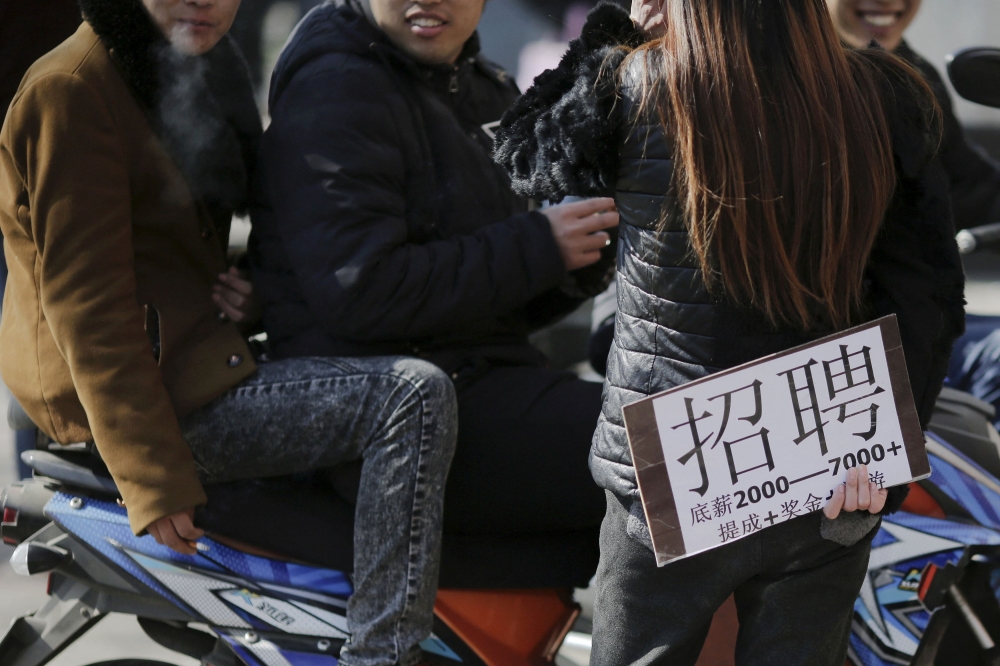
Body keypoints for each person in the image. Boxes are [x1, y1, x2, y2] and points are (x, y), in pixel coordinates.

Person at [495, 1, 965, 664]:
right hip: (829, 462)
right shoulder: (883, 94)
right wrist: (882, 455)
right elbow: (928, 297)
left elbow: (525, 153)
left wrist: (618, 28)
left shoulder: (631, 84)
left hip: (672, 466)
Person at [0, 0, 457, 664]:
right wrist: (152, 478)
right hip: (144, 403)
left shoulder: (202, 61)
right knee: (411, 396)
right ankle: (381, 655)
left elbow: (203, 235)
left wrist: (251, 290)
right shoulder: (71, 89)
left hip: (198, 355)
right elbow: (88, 309)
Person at [250, 0, 617, 541]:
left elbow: (494, 303)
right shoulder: (336, 86)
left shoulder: (484, 84)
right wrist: (539, 243)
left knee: (689, 431)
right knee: (670, 448)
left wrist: (581, 256)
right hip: (396, 410)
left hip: (480, 375)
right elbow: (364, 292)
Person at [826, 0, 1000, 427]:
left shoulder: (913, 74)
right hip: (826, 347)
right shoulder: (778, 85)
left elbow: (970, 187)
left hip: (913, 324)